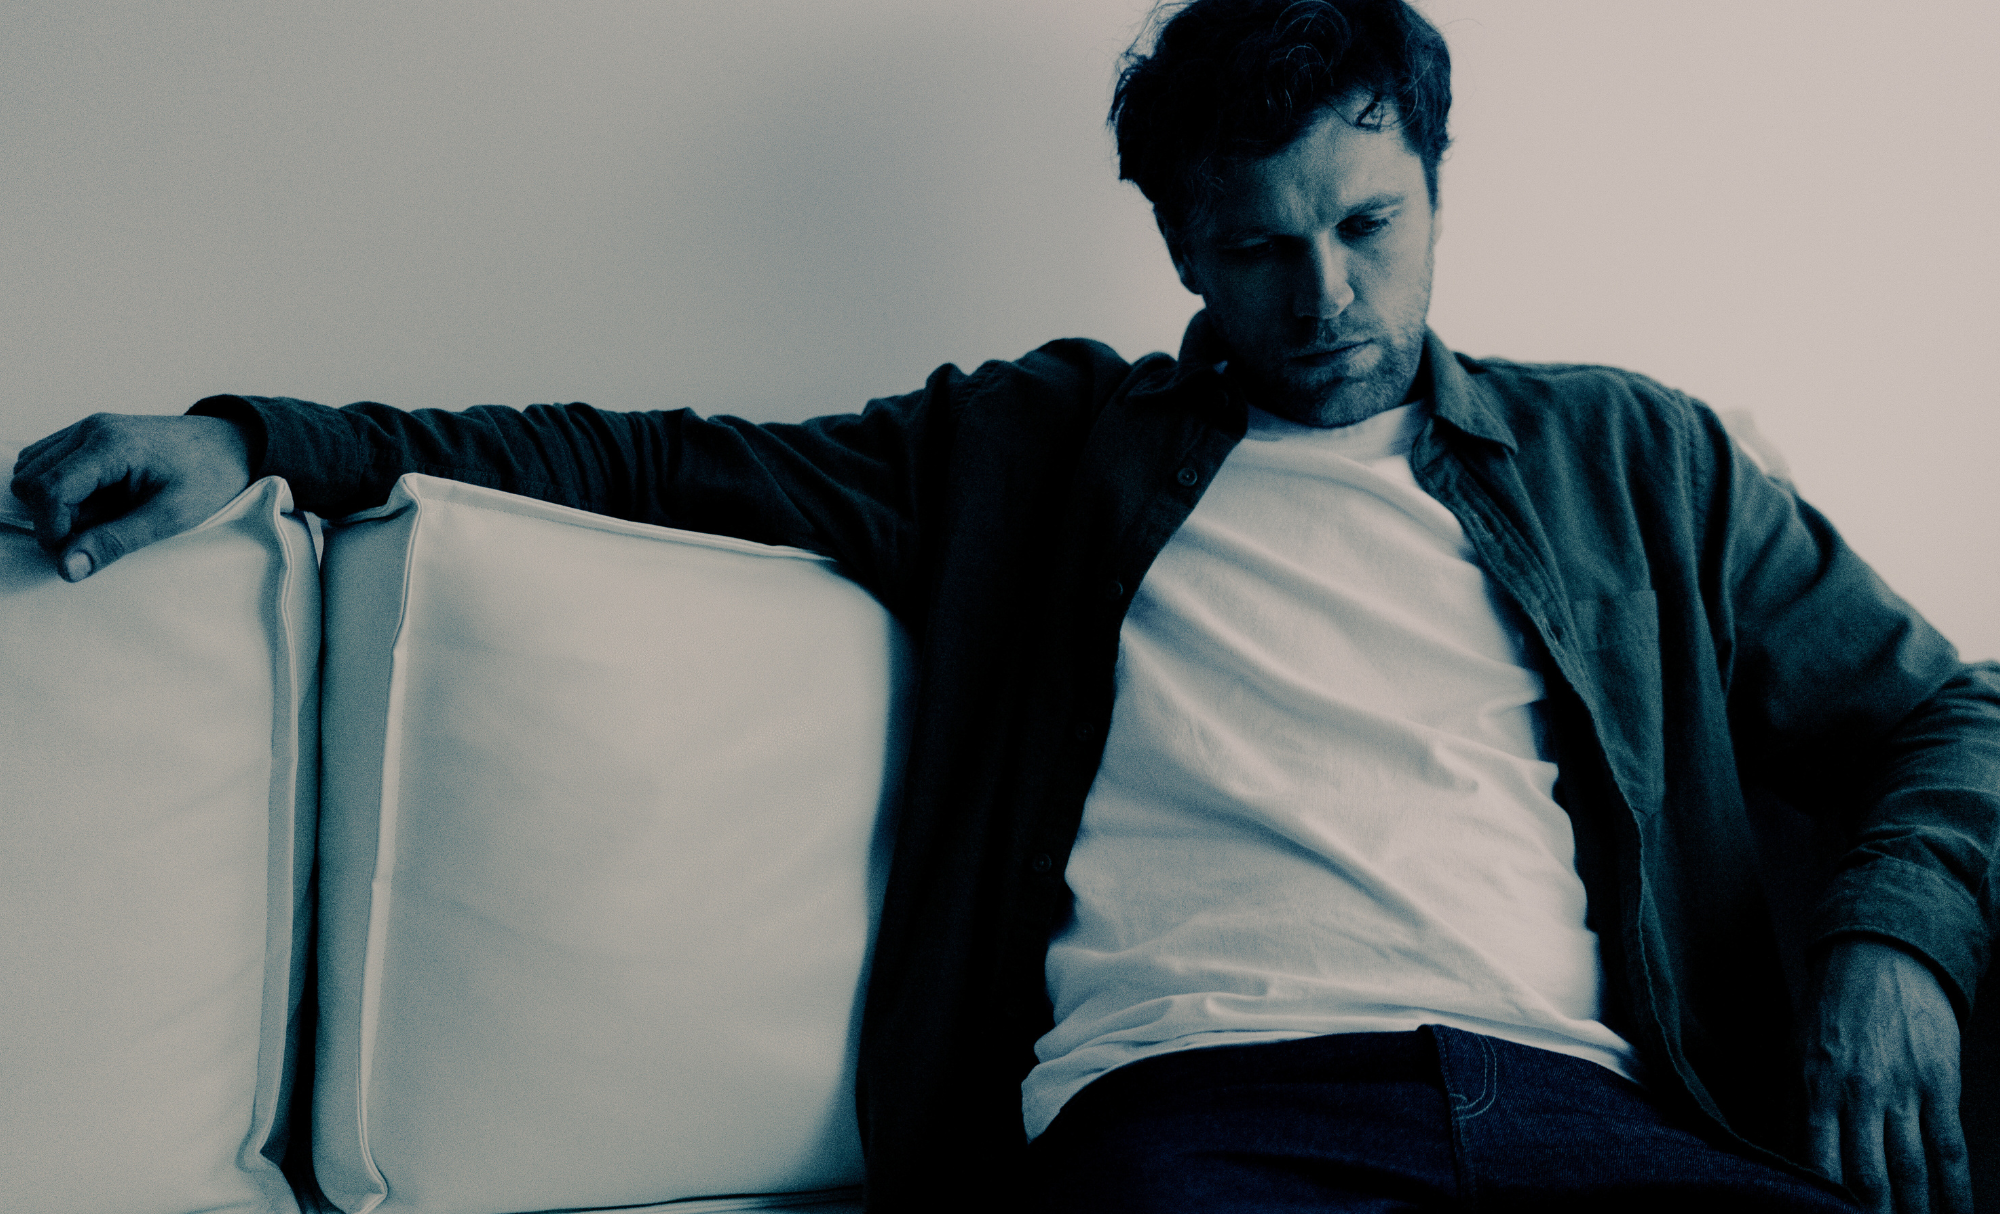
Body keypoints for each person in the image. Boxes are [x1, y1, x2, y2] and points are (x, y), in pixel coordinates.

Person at [11, 1, 1998, 1210]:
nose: (1326, 300)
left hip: (1582, 1116)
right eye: (1258, 249)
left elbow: (1947, 710)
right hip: (1199, 1118)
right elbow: (647, 455)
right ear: (1182, 248)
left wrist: (1894, 937)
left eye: (1367, 225)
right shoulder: (1034, 453)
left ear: (1435, 183)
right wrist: (256, 437)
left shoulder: (1632, 456)